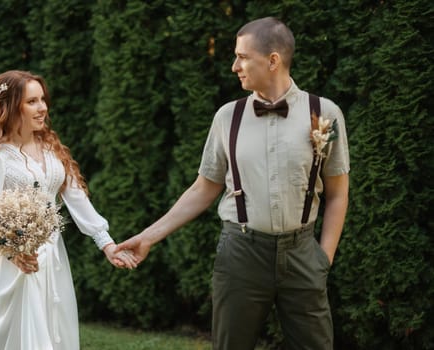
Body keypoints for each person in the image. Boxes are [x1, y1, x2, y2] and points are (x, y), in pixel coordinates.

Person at [117, 17, 349, 350]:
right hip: (241, 253)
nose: (234, 66)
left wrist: (322, 260)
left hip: (302, 255)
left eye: (242, 57)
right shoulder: (228, 117)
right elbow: (203, 188)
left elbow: (338, 194)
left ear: (273, 60)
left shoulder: (324, 113)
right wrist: (148, 237)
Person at [0, 70, 137, 350]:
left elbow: (76, 197)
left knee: (52, 331)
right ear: (11, 107)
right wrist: (14, 254)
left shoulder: (51, 149)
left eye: (42, 99)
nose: (43, 107)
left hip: (53, 259)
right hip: (11, 268)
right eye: (32, 101)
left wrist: (106, 243)